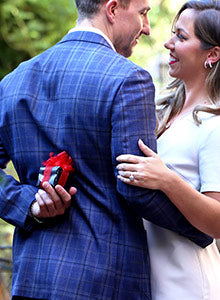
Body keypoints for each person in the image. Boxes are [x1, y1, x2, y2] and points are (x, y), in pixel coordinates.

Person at [0, 0, 213, 299]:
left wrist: (29, 204)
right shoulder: (128, 80)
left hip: (32, 279)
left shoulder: (13, 82)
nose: (149, 28)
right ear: (112, 9)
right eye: (142, 13)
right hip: (105, 282)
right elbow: (135, 187)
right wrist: (201, 232)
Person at [117, 1, 220, 299]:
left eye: (181, 37)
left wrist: (167, 179)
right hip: (146, 278)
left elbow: (217, 221)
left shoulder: (214, 125)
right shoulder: (162, 112)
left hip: (185, 284)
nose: (168, 43)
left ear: (212, 54)